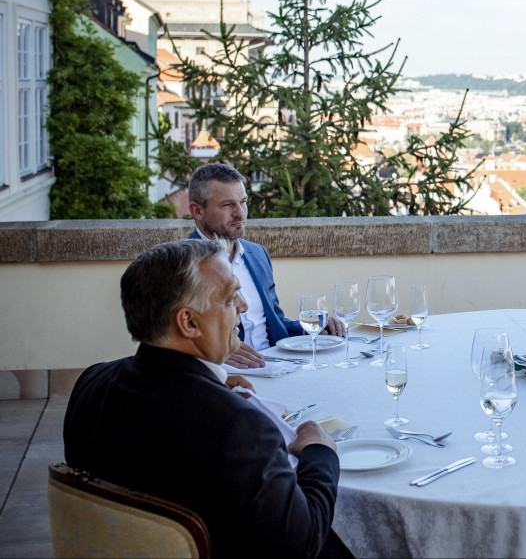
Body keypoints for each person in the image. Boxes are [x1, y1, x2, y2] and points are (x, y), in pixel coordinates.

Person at [63, 239, 351, 558]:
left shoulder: (92, 382)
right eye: (230, 298)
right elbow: (302, 543)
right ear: (188, 322)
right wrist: (319, 451)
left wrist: (216, 387)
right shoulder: (237, 426)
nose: (243, 307)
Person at [188, 163, 345, 368]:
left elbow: (274, 323)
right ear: (197, 210)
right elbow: (166, 342)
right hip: (226, 379)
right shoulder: (181, 264)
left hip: (277, 366)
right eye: (227, 205)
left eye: (242, 202)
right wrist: (212, 353)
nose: (239, 213)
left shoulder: (257, 254)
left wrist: (311, 328)